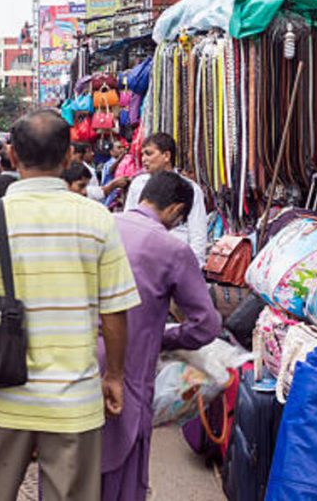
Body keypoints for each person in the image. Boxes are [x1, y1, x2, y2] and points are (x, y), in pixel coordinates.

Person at [0, 109, 140, 500]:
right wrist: (114, 375)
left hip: (2, 395)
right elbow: (114, 312)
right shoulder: (98, 219)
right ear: (68, 159)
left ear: (11, 157)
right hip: (75, 400)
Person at [102, 171, 221, 501]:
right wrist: (164, 338)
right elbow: (206, 325)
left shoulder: (100, 226)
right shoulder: (171, 248)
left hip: (73, 361)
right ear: (176, 210)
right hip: (128, 366)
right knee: (120, 463)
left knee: (70, 462)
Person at [124, 133, 208, 263]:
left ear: (166, 156)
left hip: (177, 260)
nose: (144, 159)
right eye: (142, 155)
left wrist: (194, 265)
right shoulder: (138, 184)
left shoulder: (190, 189)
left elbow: (198, 233)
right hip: (143, 258)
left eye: (149, 153)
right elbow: (129, 222)